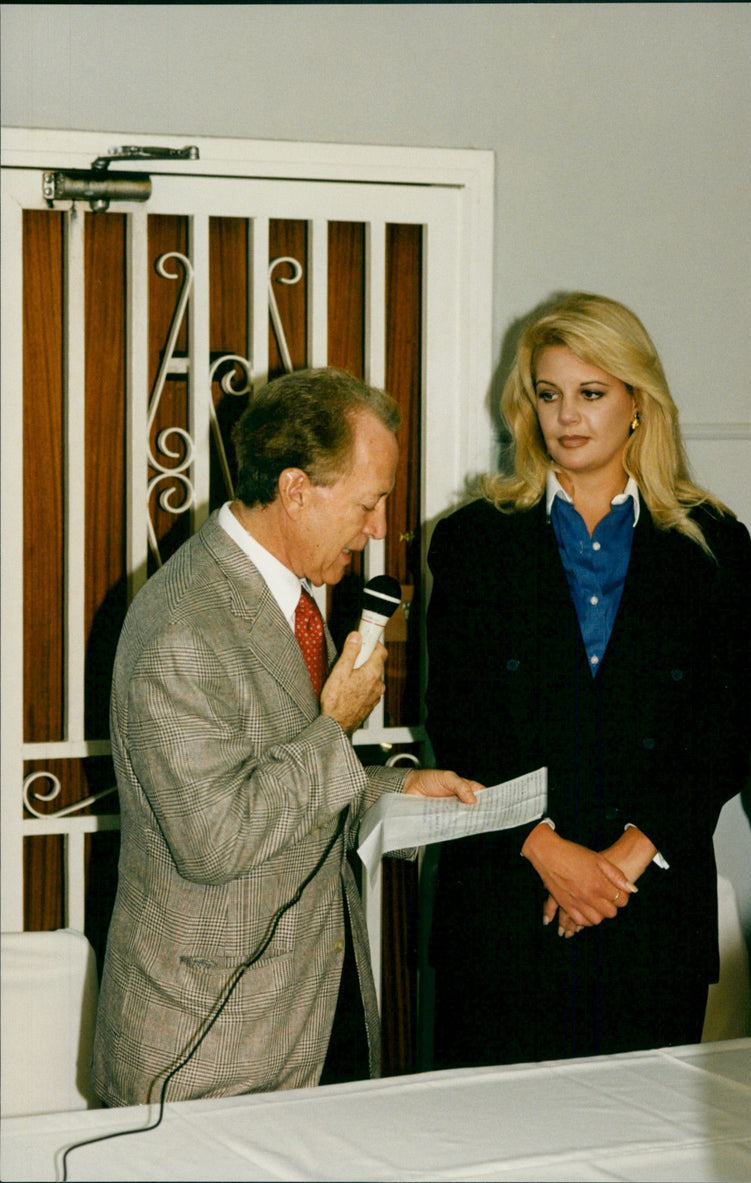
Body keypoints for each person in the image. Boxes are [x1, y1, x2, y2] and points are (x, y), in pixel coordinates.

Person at [92, 367, 479, 1106]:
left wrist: (395, 786)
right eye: (368, 503)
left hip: (316, 1016)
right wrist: (336, 724)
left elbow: (278, 786)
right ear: (296, 490)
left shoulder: (290, 597)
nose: (377, 529)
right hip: (211, 1052)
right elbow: (216, 837)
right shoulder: (182, 626)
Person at [425, 292, 751, 1067]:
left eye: (592, 392)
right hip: (508, 904)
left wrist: (616, 868)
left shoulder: (714, 543)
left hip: (649, 911)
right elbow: (463, 720)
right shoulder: (474, 541)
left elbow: (719, 732)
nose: (566, 416)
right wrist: (547, 851)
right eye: (548, 394)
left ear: (639, 402)